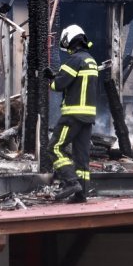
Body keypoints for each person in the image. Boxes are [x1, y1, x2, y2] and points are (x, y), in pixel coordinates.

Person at [42, 24, 98, 203]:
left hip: (73, 115)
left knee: (54, 147)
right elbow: (75, 81)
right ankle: (81, 194)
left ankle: (71, 182)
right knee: (81, 157)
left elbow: (59, 85)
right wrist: (58, 75)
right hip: (88, 117)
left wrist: (50, 79)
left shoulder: (74, 60)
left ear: (70, 40)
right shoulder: (91, 60)